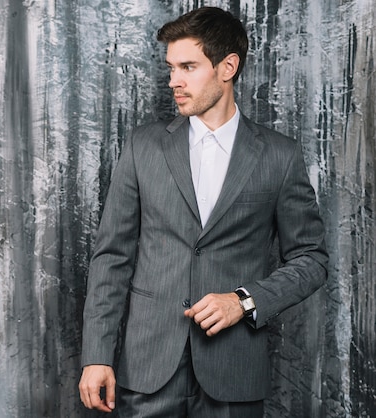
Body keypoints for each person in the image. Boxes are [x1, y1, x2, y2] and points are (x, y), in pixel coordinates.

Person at [78, 6, 328, 417]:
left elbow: (312, 258)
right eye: (171, 67)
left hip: (233, 371)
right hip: (147, 368)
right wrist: (97, 355)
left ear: (227, 66)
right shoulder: (144, 146)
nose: (173, 80)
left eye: (188, 67)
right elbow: (112, 258)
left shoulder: (280, 156)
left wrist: (244, 301)